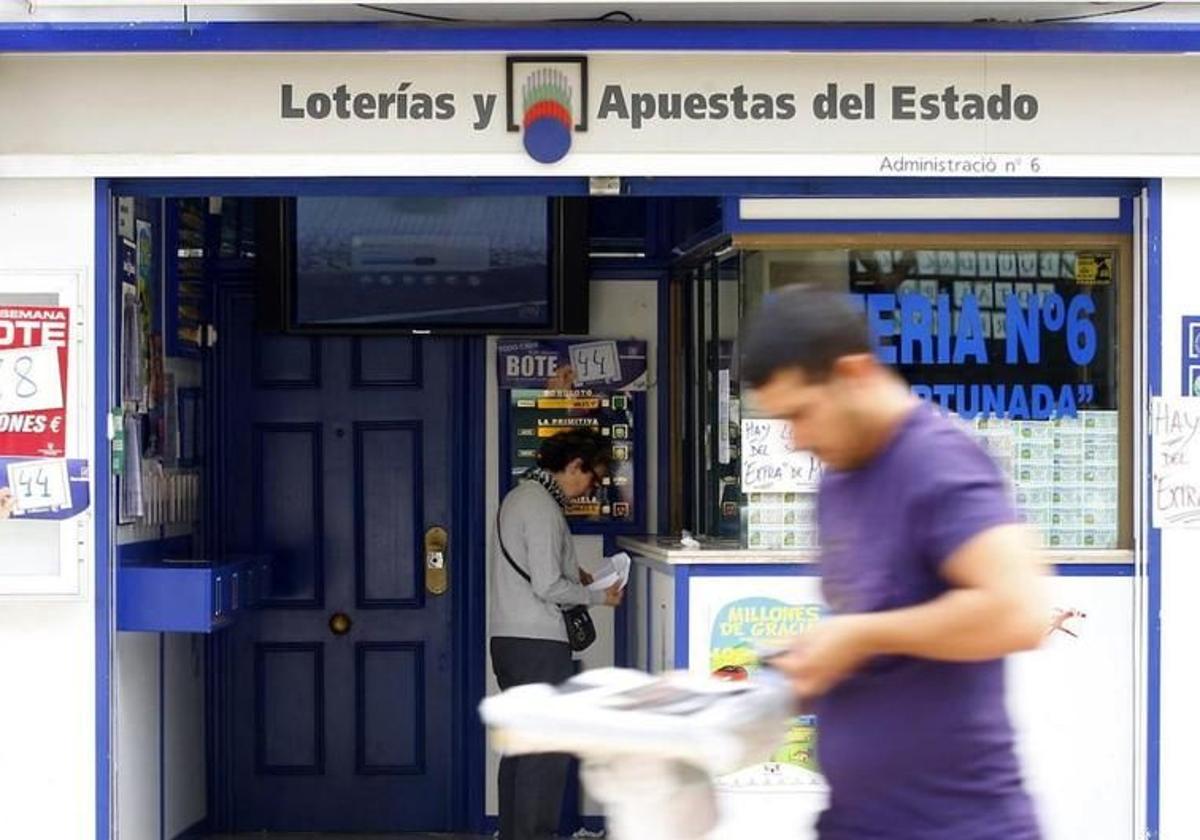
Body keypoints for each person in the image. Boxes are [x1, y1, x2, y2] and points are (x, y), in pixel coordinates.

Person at [740, 286, 1047, 840]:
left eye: (802, 414)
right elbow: (880, 624)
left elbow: (1020, 613)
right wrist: (805, 664)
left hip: (960, 827)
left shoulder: (937, 458)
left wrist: (858, 637)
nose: (796, 440)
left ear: (854, 373)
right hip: (856, 823)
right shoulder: (837, 479)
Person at [491, 427, 624, 840]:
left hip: (510, 638)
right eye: (593, 477)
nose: (592, 487)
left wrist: (575, 575)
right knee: (544, 753)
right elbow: (547, 586)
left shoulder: (520, 498)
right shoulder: (542, 506)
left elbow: (539, 570)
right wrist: (598, 597)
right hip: (538, 642)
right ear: (573, 465)